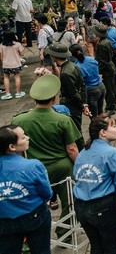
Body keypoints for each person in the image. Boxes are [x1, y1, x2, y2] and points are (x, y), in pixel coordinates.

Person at [12, 75, 81, 243]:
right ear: (54, 98)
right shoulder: (63, 120)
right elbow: (71, 149)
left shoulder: (18, 120)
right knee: (71, 202)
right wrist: (80, 166)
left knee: (35, 203)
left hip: (33, 168)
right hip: (62, 167)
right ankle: (64, 233)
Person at [73, 114, 116, 254]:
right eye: (113, 126)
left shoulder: (83, 152)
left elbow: (77, 175)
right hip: (104, 206)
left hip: (81, 206)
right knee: (111, 246)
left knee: (96, 245)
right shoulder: (113, 153)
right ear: (103, 132)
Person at [0, 124, 53, 254]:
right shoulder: (32, 166)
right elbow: (47, 193)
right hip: (34, 217)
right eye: (23, 137)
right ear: (12, 147)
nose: (27, 138)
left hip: (4, 221)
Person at [46, 42, 90, 132]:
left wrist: (82, 105)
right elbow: (83, 85)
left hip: (71, 106)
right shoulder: (73, 65)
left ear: (54, 56)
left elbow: (73, 93)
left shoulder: (65, 73)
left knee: (75, 131)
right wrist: (84, 103)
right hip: (78, 104)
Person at [70, 44, 105, 117]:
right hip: (101, 86)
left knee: (93, 116)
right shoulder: (91, 59)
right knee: (101, 112)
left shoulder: (77, 67)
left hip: (91, 90)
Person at [94, 25, 116, 115]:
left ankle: (110, 107)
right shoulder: (107, 41)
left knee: (109, 89)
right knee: (112, 87)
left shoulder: (101, 45)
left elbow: (102, 61)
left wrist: (100, 73)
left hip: (106, 69)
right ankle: (113, 104)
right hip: (110, 66)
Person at [0, 30, 25, 100]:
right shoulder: (17, 44)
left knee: (6, 78)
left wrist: (1, 62)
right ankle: (18, 93)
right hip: (16, 64)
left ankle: (8, 94)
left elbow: (1, 56)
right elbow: (22, 53)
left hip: (6, 64)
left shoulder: (2, 45)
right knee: (17, 77)